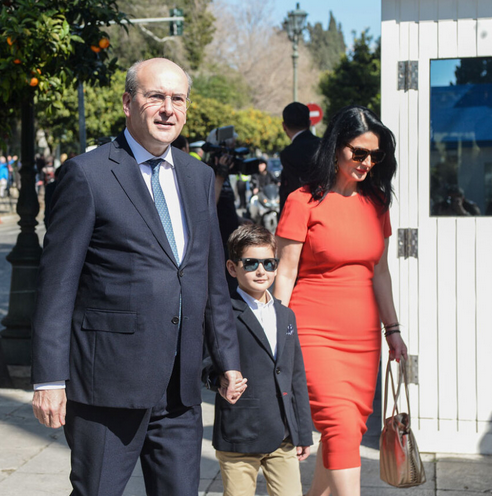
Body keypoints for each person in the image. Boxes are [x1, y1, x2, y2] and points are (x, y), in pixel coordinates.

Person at [31, 57, 246, 496]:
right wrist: (49, 379)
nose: (168, 109)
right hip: (107, 386)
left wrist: (227, 358)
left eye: (178, 99)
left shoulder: (198, 176)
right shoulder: (87, 174)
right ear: (128, 103)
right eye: (156, 97)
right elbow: (57, 286)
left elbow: (210, 280)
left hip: (180, 390)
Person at [273, 106, 408, 496]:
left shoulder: (377, 203)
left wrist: (393, 330)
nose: (367, 162)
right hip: (313, 332)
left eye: (375, 156)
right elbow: (285, 272)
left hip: (363, 338)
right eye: (359, 152)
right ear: (335, 148)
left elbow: (380, 273)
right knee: (340, 424)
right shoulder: (302, 201)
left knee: (348, 427)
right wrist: (275, 334)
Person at [204, 224, 312, 496]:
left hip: (283, 436)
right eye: (251, 263)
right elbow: (203, 361)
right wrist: (218, 380)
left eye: (269, 263)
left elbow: (295, 375)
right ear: (232, 268)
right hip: (239, 435)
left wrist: (302, 432)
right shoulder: (221, 313)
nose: (261, 271)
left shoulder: (285, 315)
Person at [279, 102, 321, 213]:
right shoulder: (324, 145)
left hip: (303, 212)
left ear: (284, 126)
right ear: (309, 123)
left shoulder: (288, 154)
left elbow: (293, 188)